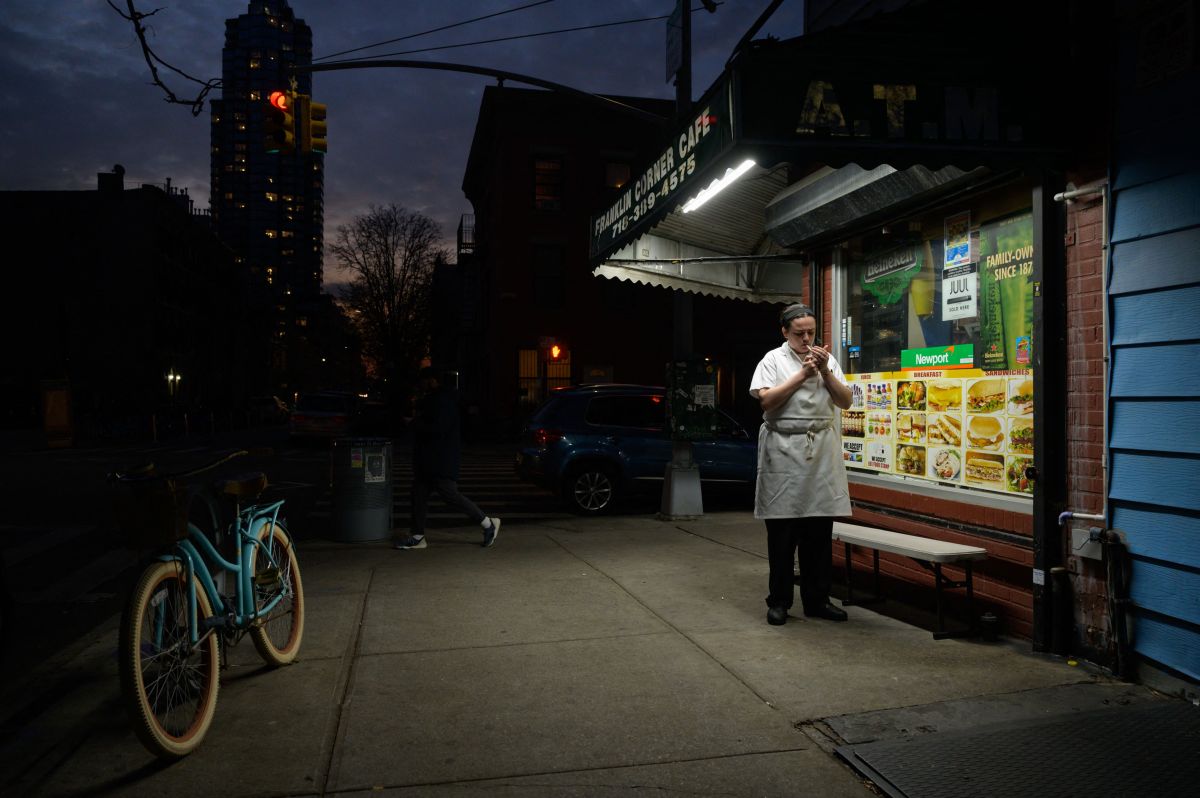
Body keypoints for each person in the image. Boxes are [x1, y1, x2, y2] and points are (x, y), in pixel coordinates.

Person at [749, 303, 853, 625]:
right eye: (799, 333)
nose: (807, 339)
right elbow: (767, 401)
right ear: (785, 332)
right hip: (783, 449)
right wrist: (803, 374)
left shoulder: (828, 360)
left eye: (811, 332)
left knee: (818, 532)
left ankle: (817, 599)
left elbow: (845, 400)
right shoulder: (772, 360)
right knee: (782, 533)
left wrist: (823, 371)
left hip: (819, 451)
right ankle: (779, 600)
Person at [394, 367, 500, 549]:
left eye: (423, 381)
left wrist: (414, 423)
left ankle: (488, 523)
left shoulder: (441, 401)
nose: (421, 385)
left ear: (432, 380)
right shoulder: (440, 399)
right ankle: (418, 536)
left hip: (438, 460)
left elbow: (437, 429)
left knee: (449, 495)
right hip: (432, 460)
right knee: (418, 495)